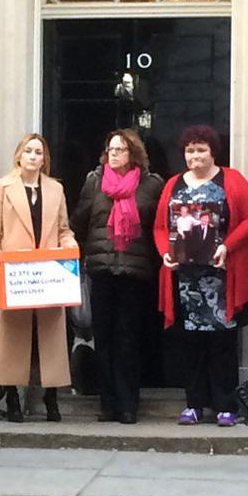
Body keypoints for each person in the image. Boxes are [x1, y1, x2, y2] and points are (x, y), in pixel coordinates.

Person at [153, 124, 248, 427]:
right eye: (190, 150)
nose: (195, 156)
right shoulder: (173, 184)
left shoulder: (233, 180)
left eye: (201, 150)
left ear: (213, 152)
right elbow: (161, 227)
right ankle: (195, 405)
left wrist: (228, 246)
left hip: (221, 277)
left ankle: (226, 406)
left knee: (222, 343)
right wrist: (165, 252)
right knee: (190, 343)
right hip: (185, 279)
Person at [0, 133, 78, 422]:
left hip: (47, 273)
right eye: (29, 151)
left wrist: (69, 243)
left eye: (39, 152)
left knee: (45, 337)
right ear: (19, 155)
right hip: (15, 272)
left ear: (45, 159)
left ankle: (51, 397)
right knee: (13, 336)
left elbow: (63, 229)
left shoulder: (55, 189)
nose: (34, 156)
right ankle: (12, 398)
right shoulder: (3, 187)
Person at [71, 129, 163, 424]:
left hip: (135, 273)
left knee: (128, 339)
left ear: (133, 153)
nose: (114, 154)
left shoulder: (151, 185)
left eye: (120, 149)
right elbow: (79, 222)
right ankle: (107, 403)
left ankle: (128, 405)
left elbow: (159, 227)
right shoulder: (95, 182)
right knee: (105, 339)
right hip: (101, 270)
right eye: (110, 149)